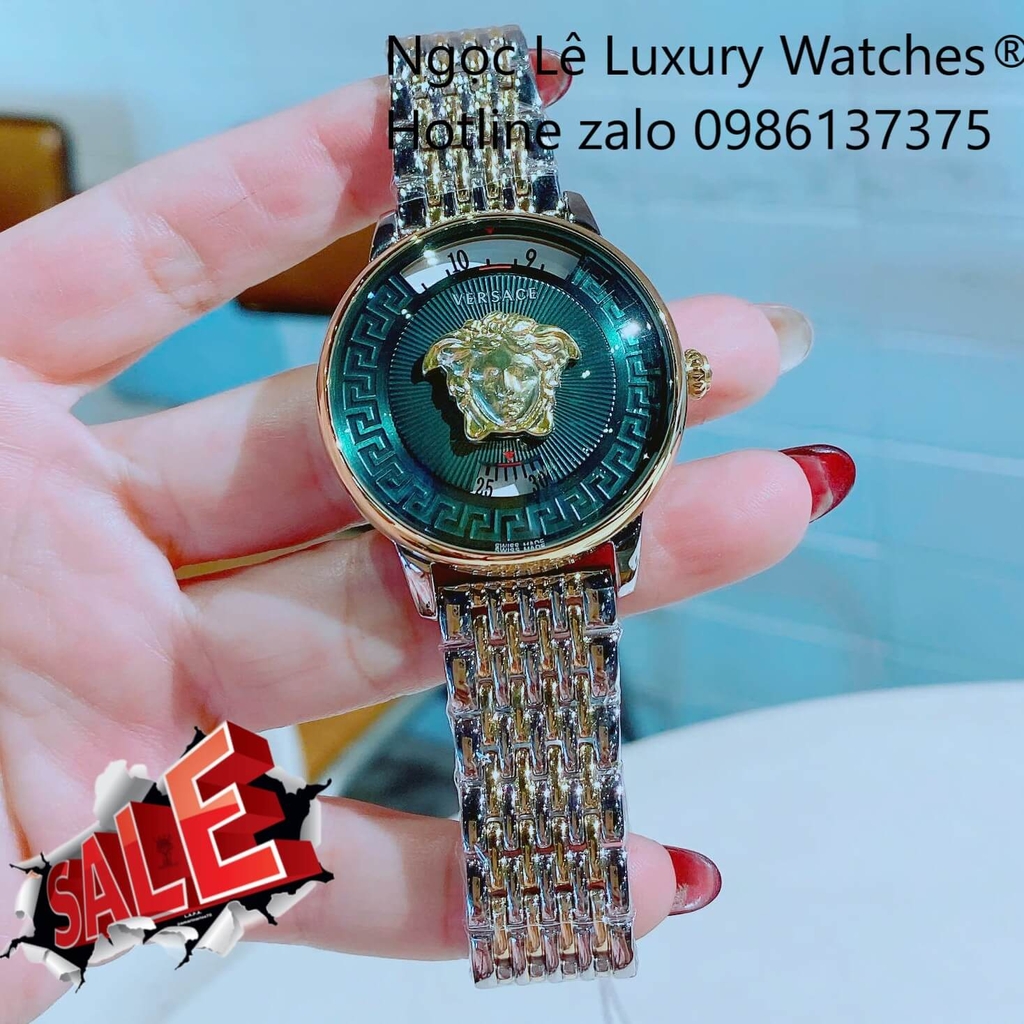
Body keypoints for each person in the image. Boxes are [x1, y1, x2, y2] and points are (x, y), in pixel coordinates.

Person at [0, 63, 852, 1021]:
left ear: (662, 375)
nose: (506, 385)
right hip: (459, 538)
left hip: (554, 532)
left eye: (531, 365)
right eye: (479, 370)